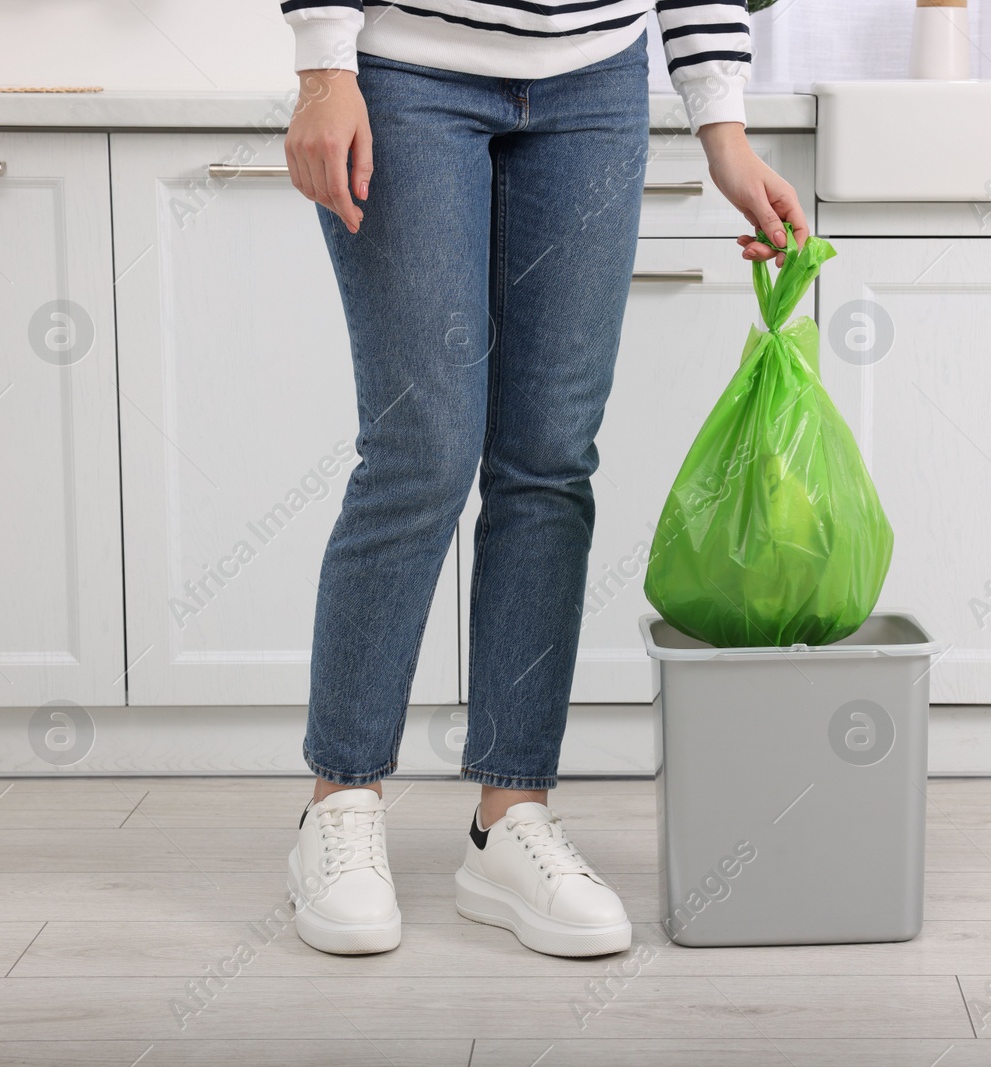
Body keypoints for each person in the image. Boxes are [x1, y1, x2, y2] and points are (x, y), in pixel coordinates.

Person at [278, 0, 809, 958]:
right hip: (406, 73)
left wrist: (721, 126)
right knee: (421, 453)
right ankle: (342, 802)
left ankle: (509, 816)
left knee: (549, 461)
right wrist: (326, 64)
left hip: (596, 84)